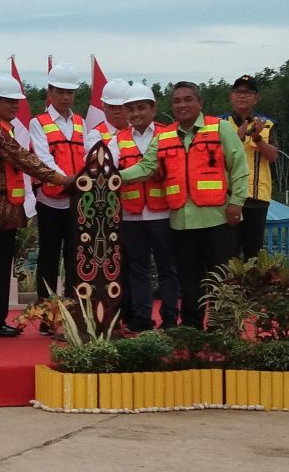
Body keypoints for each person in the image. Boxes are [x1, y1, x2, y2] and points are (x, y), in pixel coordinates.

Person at [119, 81, 248, 329]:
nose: (182, 105)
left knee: (221, 277)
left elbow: (240, 167)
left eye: (188, 99)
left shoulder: (219, 128)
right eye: (177, 101)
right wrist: (113, 176)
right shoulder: (165, 135)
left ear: (200, 103)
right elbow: (146, 168)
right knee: (189, 280)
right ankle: (191, 328)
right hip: (180, 221)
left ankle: (223, 327)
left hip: (218, 218)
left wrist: (237, 202)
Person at [0, 75, 69, 337]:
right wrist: (63, 179)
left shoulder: (2, 126)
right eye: (9, 101)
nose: (15, 106)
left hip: (3, 207)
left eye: (17, 101)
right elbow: (26, 160)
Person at [109, 84, 179, 331]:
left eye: (141, 108)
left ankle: (170, 316)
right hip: (131, 214)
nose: (136, 114)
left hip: (163, 211)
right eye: (130, 109)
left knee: (167, 266)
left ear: (153, 108)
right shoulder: (117, 139)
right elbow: (110, 172)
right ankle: (142, 316)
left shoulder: (169, 134)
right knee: (137, 268)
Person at [29, 63, 87, 333]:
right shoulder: (38, 123)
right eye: (61, 91)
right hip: (51, 200)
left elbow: (86, 155)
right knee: (49, 259)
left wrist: (81, 181)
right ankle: (47, 318)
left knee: (75, 259)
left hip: (76, 201)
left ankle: (74, 315)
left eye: (70, 92)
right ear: (50, 92)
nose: (66, 97)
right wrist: (69, 180)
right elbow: (43, 158)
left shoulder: (80, 122)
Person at [221, 75, 279, 261]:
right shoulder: (219, 124)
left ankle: (252, 290)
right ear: (231, 96)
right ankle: (227, 290)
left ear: (256, 98)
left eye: (248, 92)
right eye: (238, 92)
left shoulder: (267, 124)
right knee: (227, 252)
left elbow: (273, 156)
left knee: (253, 253)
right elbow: (213, 157)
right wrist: (235, 138)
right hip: (227, 198)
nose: (242, 96)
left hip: (256, 197)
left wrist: (257, 138)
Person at [84, 79, 132, 160]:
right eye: (111, 107)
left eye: (121, 106)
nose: (117, 111)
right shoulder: (95, 134)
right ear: (103, 106)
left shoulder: (137, 130)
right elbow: (99, 160)